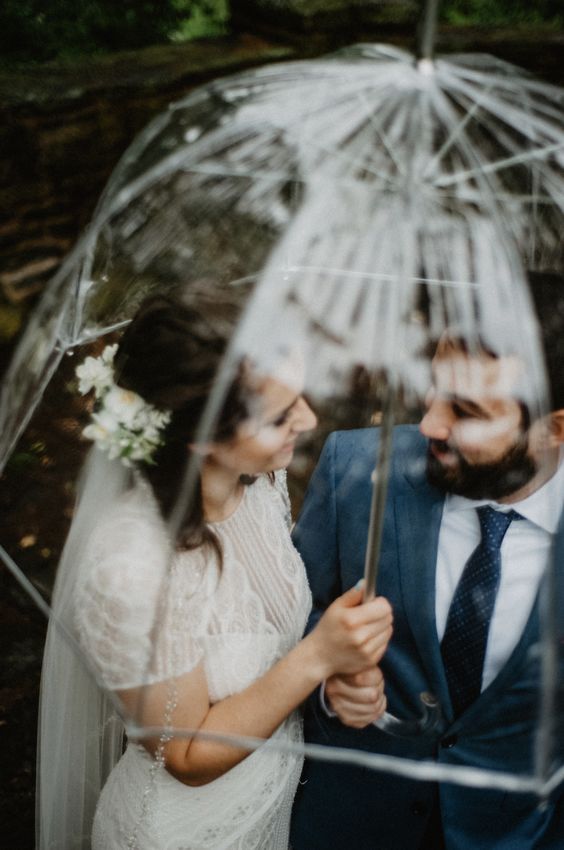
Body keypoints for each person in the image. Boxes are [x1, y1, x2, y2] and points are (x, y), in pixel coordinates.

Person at [36, 293, 393, 850]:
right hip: (185, 834)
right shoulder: (131, 566)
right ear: (203, 436)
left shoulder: (260, 486)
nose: (310, 419)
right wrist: (315, 657)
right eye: (280, 416)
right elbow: (184, 756)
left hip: (271, 806)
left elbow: (270, 652)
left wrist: (337, 678)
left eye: (299, 395)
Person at [290, 271, 564, 849]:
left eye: (465, 410)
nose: (432, 422)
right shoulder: (358, 472)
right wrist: (326, 680)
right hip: (354, 825)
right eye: (433, 388)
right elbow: (288, 617)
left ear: (553, 430)